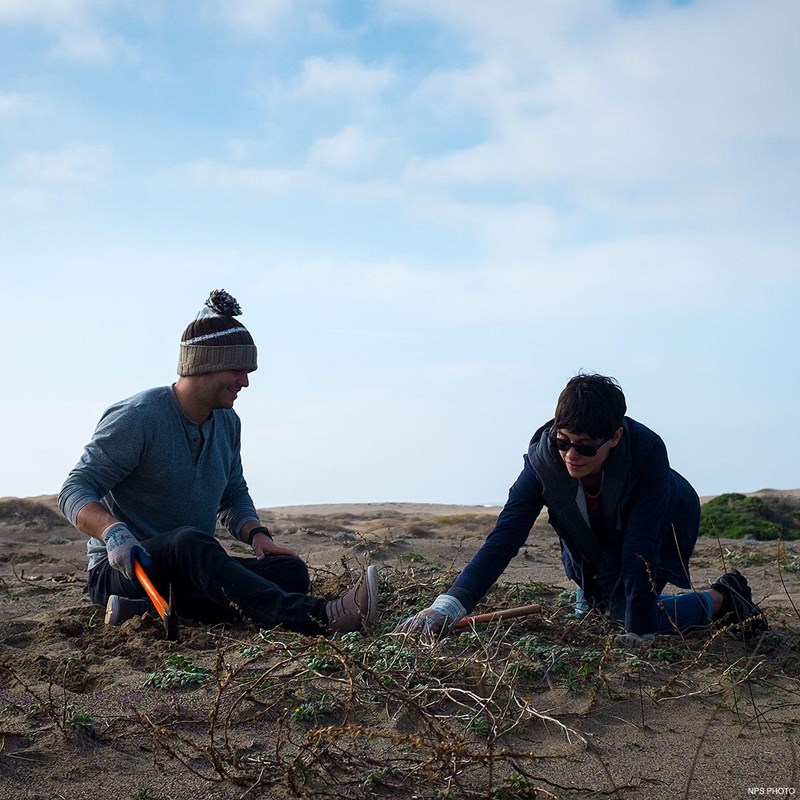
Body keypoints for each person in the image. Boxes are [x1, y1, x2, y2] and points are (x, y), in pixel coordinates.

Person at [59, 289, 378, 636]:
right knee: (189, 543)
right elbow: (75, 489)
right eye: (237, 370)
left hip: (190, 567)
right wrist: (112, 531)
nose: (245, 381)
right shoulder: (137, 418)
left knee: (290, 572)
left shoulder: (228, 422)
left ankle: (153, 609)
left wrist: (256, 535)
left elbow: (232, 494)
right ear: (204, 365)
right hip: (126, 570)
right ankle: (322, 617)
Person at [397, 373, 767, 645]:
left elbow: (641, 547)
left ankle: (722, 599)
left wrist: (640, 631)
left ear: (615, 437)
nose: (571, 455)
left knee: (626, 618)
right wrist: (448, 606)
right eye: (564, 441)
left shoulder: (648, 453)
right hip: (590, 538)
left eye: (586, 447)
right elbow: (504, 538)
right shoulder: (544, 462)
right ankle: (600, 599)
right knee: (591, 619)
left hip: (664, 516)